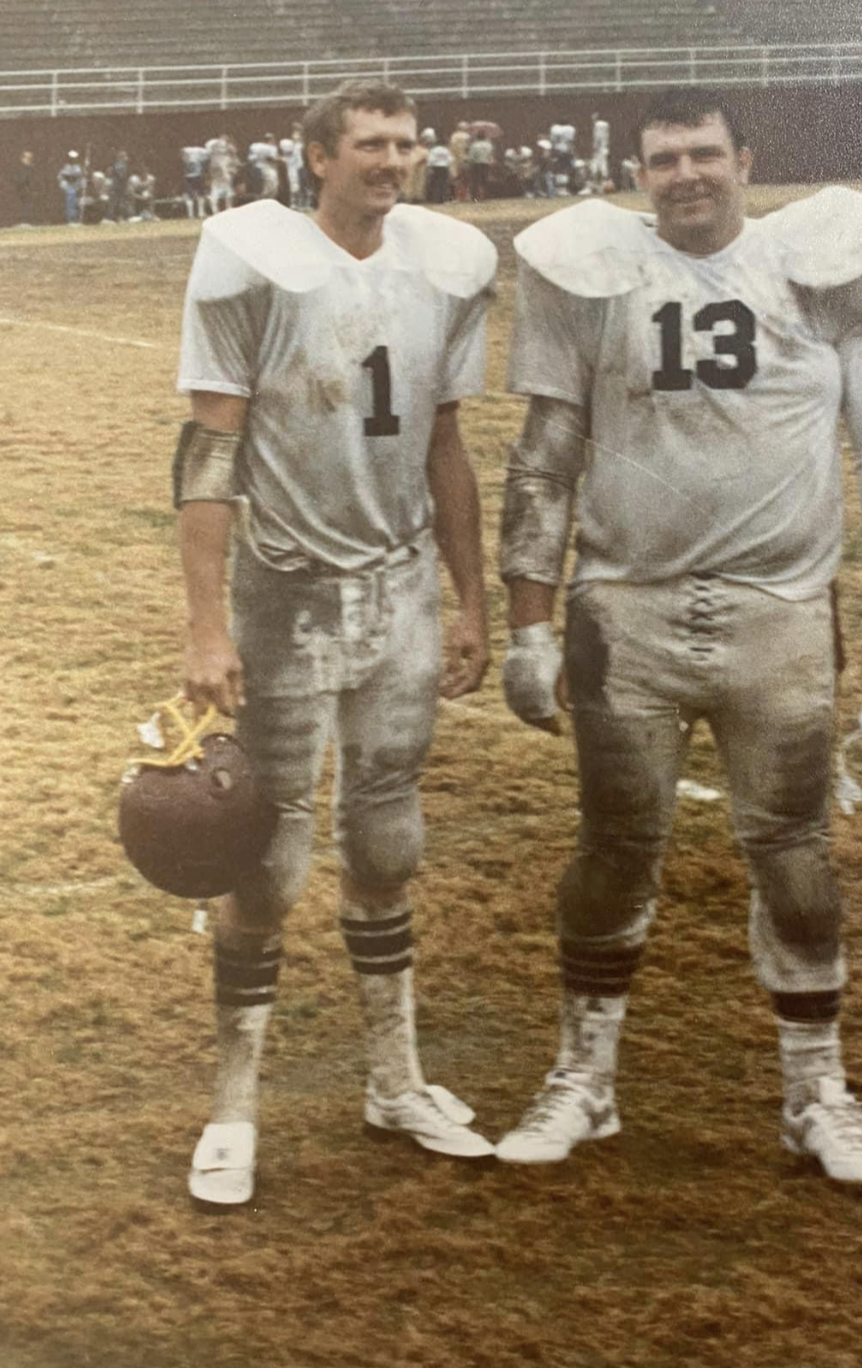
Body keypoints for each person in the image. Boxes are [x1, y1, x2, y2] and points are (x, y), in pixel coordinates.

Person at [495, 87, 862, 1184]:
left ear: (746, 158)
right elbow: (542, 459)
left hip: (778, 613)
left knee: (792, 855)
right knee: (611, 850)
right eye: (660, 159)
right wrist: (528, 624)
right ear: (635, 174)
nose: (684, 173)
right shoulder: (593, 277)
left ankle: (815, 1095)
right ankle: (583, 1082)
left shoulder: (814, 269)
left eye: (702, 153)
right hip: (624, 611)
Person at [174, 79, 497, 1205]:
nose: (392, 161)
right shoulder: (252, 259)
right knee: (266, 857)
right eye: (368, 144)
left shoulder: (446, 263)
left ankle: (395, 1081)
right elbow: (210, 448)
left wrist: (471, 597)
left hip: (400, 584)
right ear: (314, 156)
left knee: (387, 840)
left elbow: (446, 443)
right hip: (289, 589)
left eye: (406, 144)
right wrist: (208, 624)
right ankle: (235, 1105)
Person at [58, 150, 85, 225]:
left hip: (77, 187)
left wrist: (82, 183)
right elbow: (62, 176)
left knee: (77, 203)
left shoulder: (78, 167)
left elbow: (81, 176)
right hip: (69, 187)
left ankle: (76, 219)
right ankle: (71, 220)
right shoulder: (66, 167)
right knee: (70, 202)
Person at [14, 150, 35, 225]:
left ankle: (27, 221)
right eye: (27, 158)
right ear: (22, 158)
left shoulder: (31, 168)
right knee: (23, 205)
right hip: (21, 190)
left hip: (28, 191)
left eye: (30, 158)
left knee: (28, 205)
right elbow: (19, 179)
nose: (29, 160)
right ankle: (22, 221)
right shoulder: (20, 168)